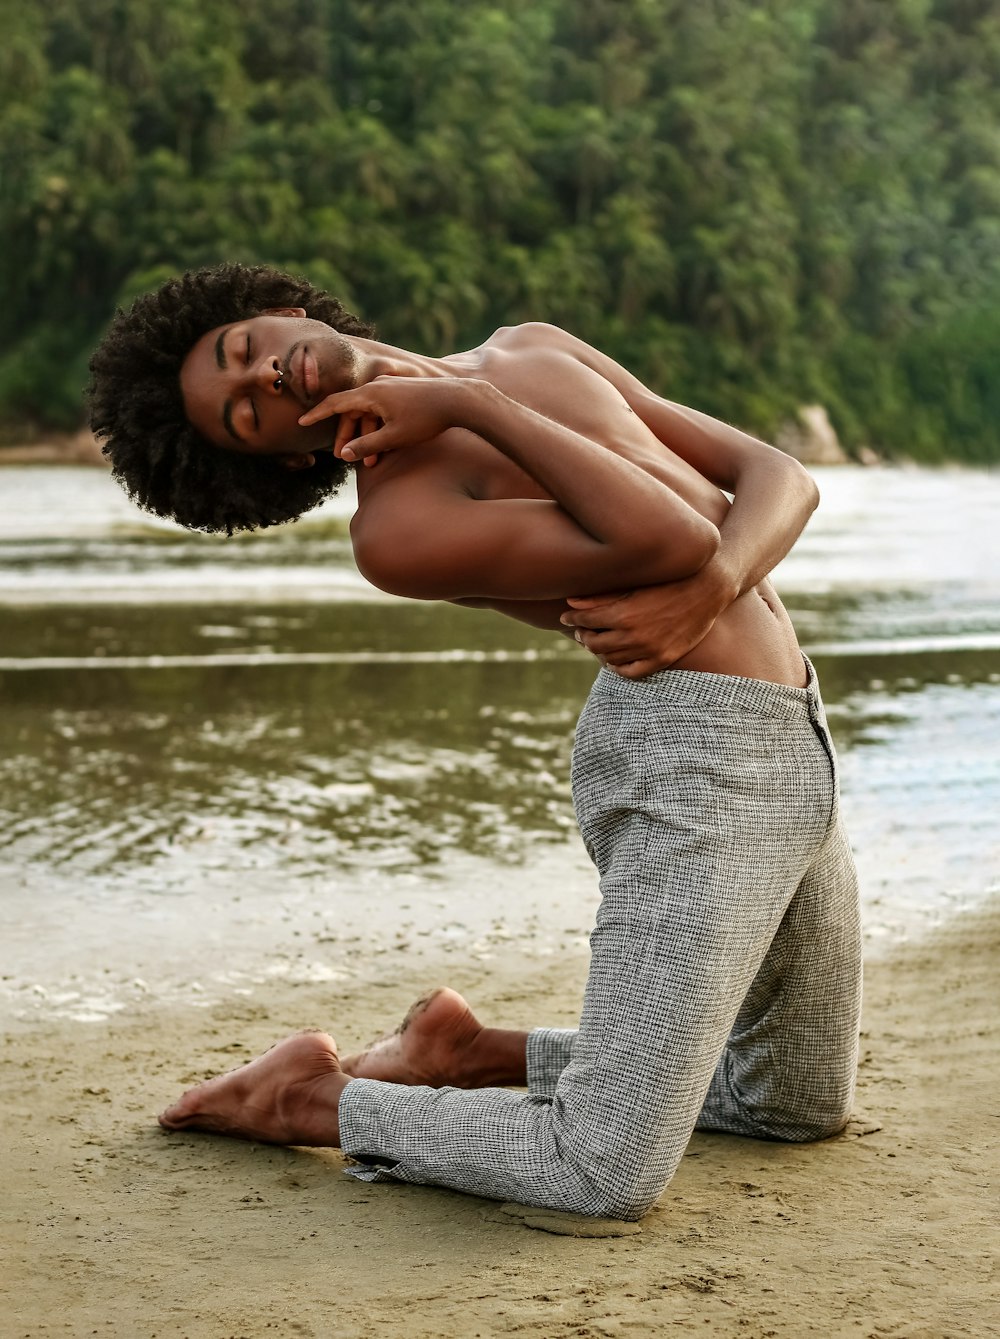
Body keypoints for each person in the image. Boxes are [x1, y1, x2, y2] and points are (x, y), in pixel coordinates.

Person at [88, 263, 861, 1222]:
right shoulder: (402, 527)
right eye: (245, 413)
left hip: (792, 732)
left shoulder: (531, 346)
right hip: (688, 761)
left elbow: (779, 479)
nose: (263, 378)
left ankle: (467, 1051)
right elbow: (672, 537)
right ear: (287, 460)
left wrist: (724, 578)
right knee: (600, 1170)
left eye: (243, 351)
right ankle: (310, 1097)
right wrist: (472, 406)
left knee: (787, 1104)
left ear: (279, 311)